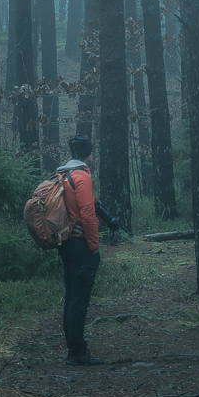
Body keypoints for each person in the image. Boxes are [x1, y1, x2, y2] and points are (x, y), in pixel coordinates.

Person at [55, 134, 120, 366]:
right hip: (81, 243)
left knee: (72, 297)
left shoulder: (63, 174)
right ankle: (77, 353)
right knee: (79, 300)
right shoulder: (82, 177)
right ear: (88, 155)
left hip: (66, 243)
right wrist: (94, 246)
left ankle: (74, 348)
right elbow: (89, 215)